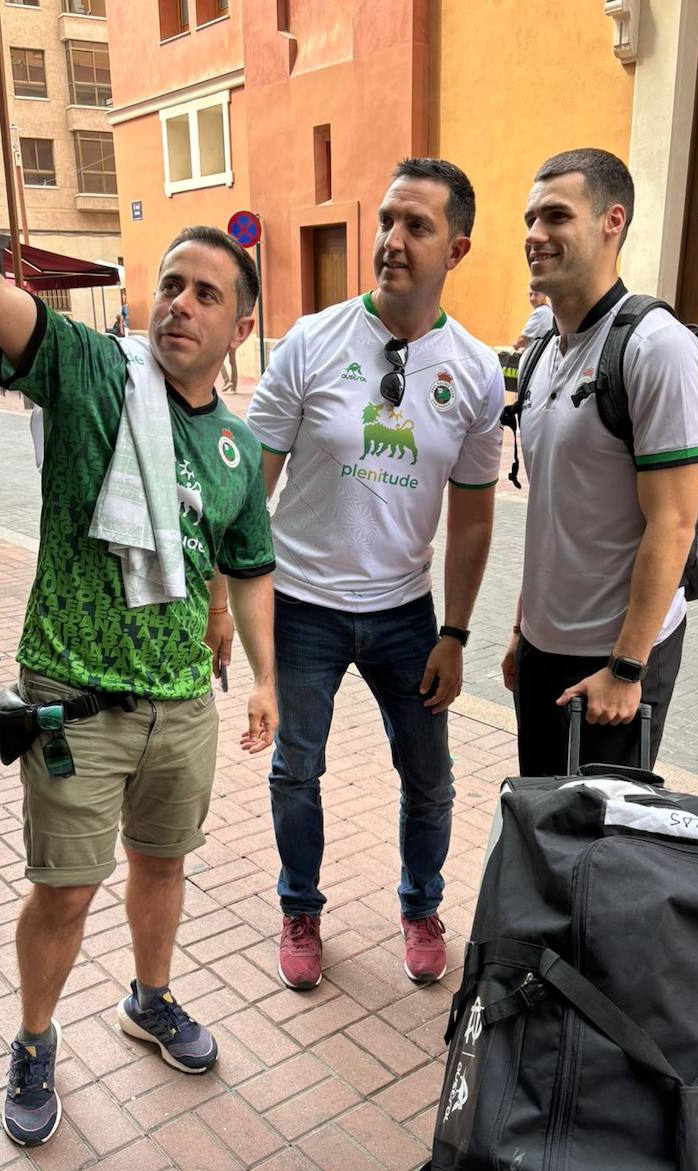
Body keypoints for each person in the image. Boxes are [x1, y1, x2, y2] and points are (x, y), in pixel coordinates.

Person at [0, 54, 278, 1147]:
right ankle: (34, 1038)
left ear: (237, 328)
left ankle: (149, 997)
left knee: (162, 868)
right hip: (75, 697)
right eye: (169, 284)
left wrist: (266, 680)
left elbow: (247, 563)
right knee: (65, 892)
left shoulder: (234, 441)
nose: (179, 304)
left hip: (181, 700)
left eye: (206, 294)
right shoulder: (88, 369)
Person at [240, 157, 503, 992]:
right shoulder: (311, 342)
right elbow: (251, 484)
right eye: (387, 220)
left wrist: (455, 632)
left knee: (430, 779)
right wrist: (229, 598)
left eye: (416, 226)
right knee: (295, 769)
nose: (392, 241)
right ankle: (300, 907)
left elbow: (472, 517)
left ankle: (420, 905)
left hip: (404, 616)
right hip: (302, 608)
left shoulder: (478, 371)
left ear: (455, 248)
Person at [501, 148, 698, 777]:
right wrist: (523, 631)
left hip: (612, 660)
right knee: (542, 832)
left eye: (557, 216)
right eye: (531, 219)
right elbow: (554, 510)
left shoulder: (655, 348)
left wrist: (627, 669)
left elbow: (674, 522)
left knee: (598, 855)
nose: (536, 235)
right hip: (544, 648)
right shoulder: (542, 350)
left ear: (611, 221)